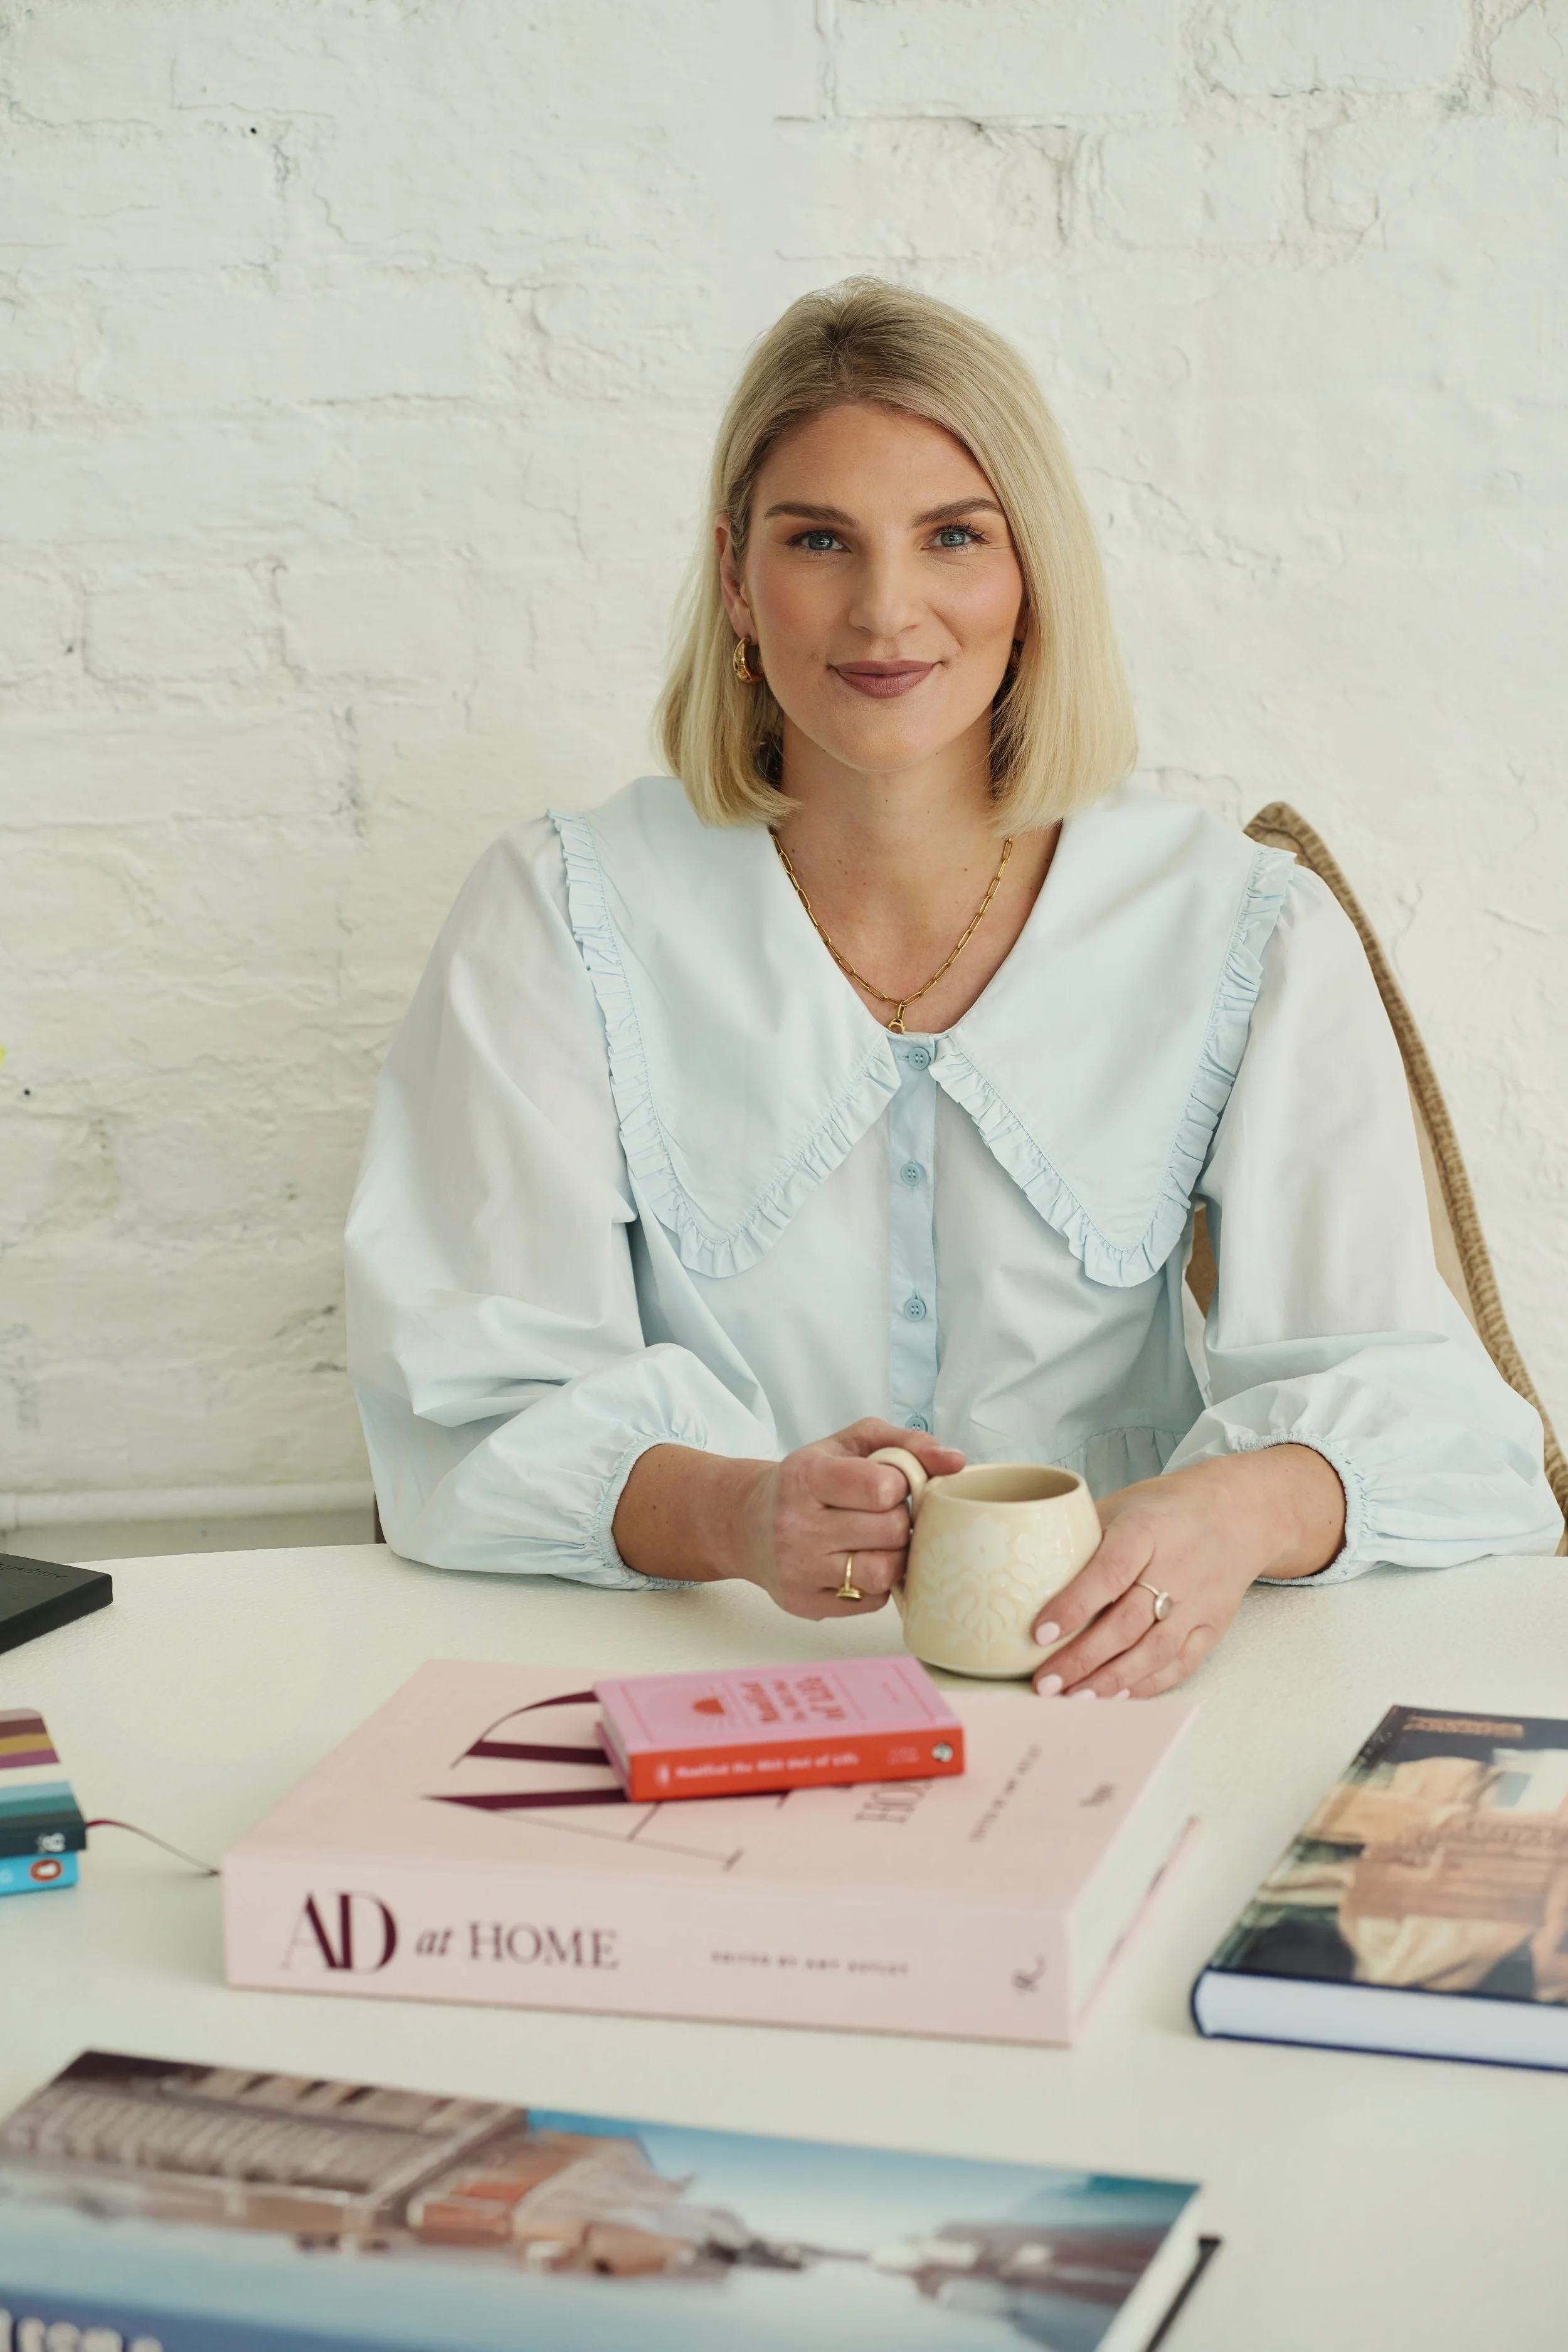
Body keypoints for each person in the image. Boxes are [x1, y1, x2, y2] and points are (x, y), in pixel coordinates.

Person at [345, 280, 1560, 1699]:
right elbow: (459, 1409)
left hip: (1124, 1692)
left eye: (952, 538)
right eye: (818, 541)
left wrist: (1227, 1510)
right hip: (692, 1688)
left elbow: (1436, 1417)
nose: (883, 610)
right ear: (736, 577)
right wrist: (737, 1512)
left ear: (1030, 573)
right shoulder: (554, 914)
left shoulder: (1242, 927)